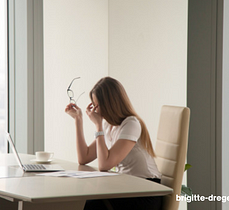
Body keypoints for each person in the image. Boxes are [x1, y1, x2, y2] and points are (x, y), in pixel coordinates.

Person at [65, 77, 162, 210]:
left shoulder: (131, 124)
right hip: (127, 188)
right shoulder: (109, 125)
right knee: (85, 203)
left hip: (146, 191)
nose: (96, 110)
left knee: (91, 205)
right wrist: (78, 119)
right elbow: (84, 157)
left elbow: (104, 165)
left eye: (97, 105)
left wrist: (98, 125)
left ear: (110, 103)